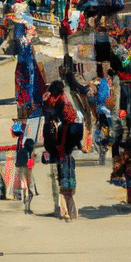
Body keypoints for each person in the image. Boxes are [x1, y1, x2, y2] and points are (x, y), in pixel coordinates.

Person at [42, 79, 80, 221]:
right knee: (66, 183)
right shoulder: (64, 104)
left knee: (61, 182)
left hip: (60, 150)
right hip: (65, 150)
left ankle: (64, 212)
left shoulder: (59, 105)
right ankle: (69, 212)